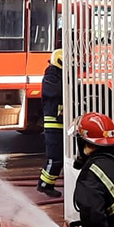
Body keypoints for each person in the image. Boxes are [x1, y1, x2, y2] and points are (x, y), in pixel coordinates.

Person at [37, 48, 64, 198]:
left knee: (57, 157)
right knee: (55, 157)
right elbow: (56, 92)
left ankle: (45, 184)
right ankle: (44, 185)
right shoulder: (51, 77)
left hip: (58, 123)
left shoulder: (57, 76)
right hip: (53, 124)